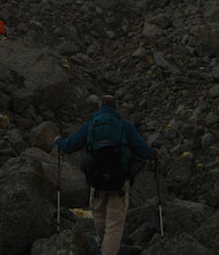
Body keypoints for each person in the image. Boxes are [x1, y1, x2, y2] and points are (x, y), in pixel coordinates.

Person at [55, 95, 159, 255]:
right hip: (119, 180)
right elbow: (142, 150)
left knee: (99, 214)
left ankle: (103, 244)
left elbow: (69, 146)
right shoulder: (124, 125)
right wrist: (155, 153)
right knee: (114, 225)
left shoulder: (91, 125)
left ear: (99, 106)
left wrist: (58, 141)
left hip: (96, 180)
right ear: (116, 107)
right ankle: (108, 249)